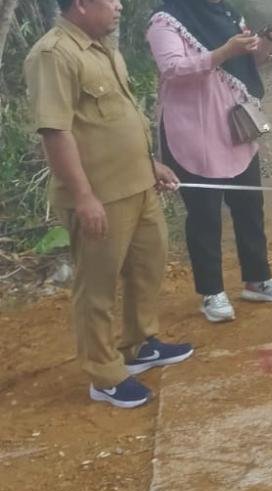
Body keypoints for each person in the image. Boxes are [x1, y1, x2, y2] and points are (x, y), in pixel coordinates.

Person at [24, 0, 193, 409]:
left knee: (148, 265)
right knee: (97, 288)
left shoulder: (103, 46)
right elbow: (56, 133)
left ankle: (139, 344)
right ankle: (104, 374)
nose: (119, 5)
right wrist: (83, 196)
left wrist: (150, 164)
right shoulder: (53, 54)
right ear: (82, 4)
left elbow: (117, 117)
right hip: (100, 195)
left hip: (138, 185)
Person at [147, 0, 272, 323]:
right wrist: (224, 52)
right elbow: (173, 69)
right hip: (193, 132)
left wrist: (267, 40)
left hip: (234, 128)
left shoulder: (228, 15)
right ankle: (212, 292)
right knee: (205, 215)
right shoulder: (166, 21)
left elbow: (248, 63)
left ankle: (258, 278)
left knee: (250, 206)